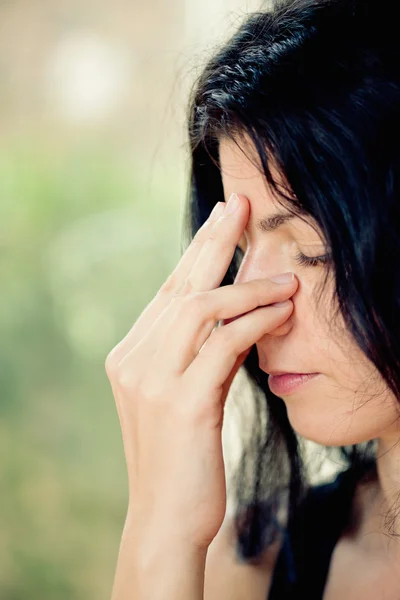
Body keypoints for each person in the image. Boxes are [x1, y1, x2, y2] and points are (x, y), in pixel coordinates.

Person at [105, 0, 400, 597]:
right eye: (240, 252)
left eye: (310, 245)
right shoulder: (257, 568)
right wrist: (160, 531)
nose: (249, 306)